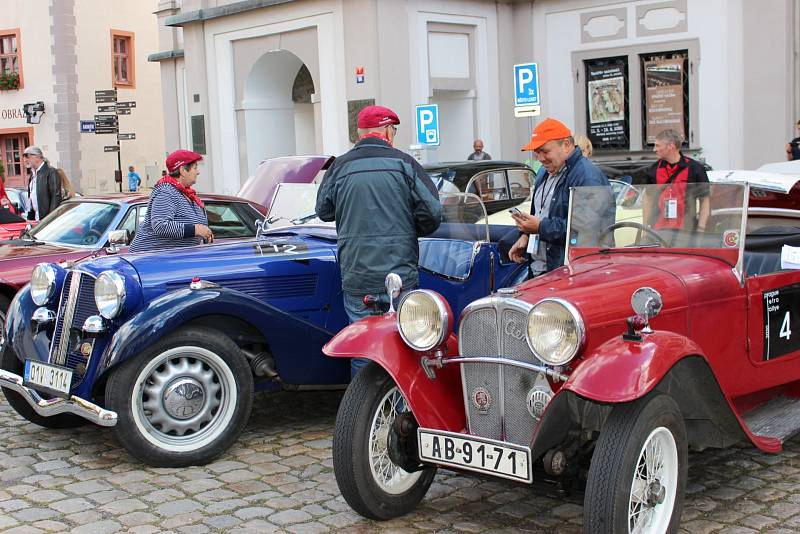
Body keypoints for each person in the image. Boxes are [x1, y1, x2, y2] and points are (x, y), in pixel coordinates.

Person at [316, 105, 442, 377]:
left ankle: (362, 412)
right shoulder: (404, 164)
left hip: (357, 272)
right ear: (386, 130)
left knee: (363, 344)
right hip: (400, 271)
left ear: (360, 134)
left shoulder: (340, 166)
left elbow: (323, 210)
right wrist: (410, 227)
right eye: (393, 130)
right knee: (404, 340)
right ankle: (401, 410)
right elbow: (433, 213)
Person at [504, 118, 612, 276]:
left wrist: (540, 228)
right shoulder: (544, 172)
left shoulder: (588, 176)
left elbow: (585, 231)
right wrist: (527, 236)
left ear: (566, 145)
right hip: (544, 270)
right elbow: (540, 214)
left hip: (574, 273)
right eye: (537, 153)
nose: (540, 158)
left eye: (545, 151)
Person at [129, 149, 213, 252]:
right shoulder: (166, 192)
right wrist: (196, 230)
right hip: (151, 258)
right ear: (182, 170)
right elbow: (161, 225)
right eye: (195, 168)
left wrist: (204, 233)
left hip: (175, 258)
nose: (198, 172)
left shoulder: (187, 194)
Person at [643, 129, 710, 232]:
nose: (654, 149)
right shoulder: (653, 170)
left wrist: (701, 228)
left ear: (671, 146)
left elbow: (705, 199)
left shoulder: (695, 168)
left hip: (686, 231)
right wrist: (645, 228)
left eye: (658, 145)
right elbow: (648, 199)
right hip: (659, 230)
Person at [22, 146, 62, 221]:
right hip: (36, 220)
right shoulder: (33, 174)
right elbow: (30, 199)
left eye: (27, 156)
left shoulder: (51, 172)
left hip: (47, 221)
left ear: (37, 157)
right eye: (23, 157)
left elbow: (56, 197)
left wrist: (50, 219)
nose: (24, 160)